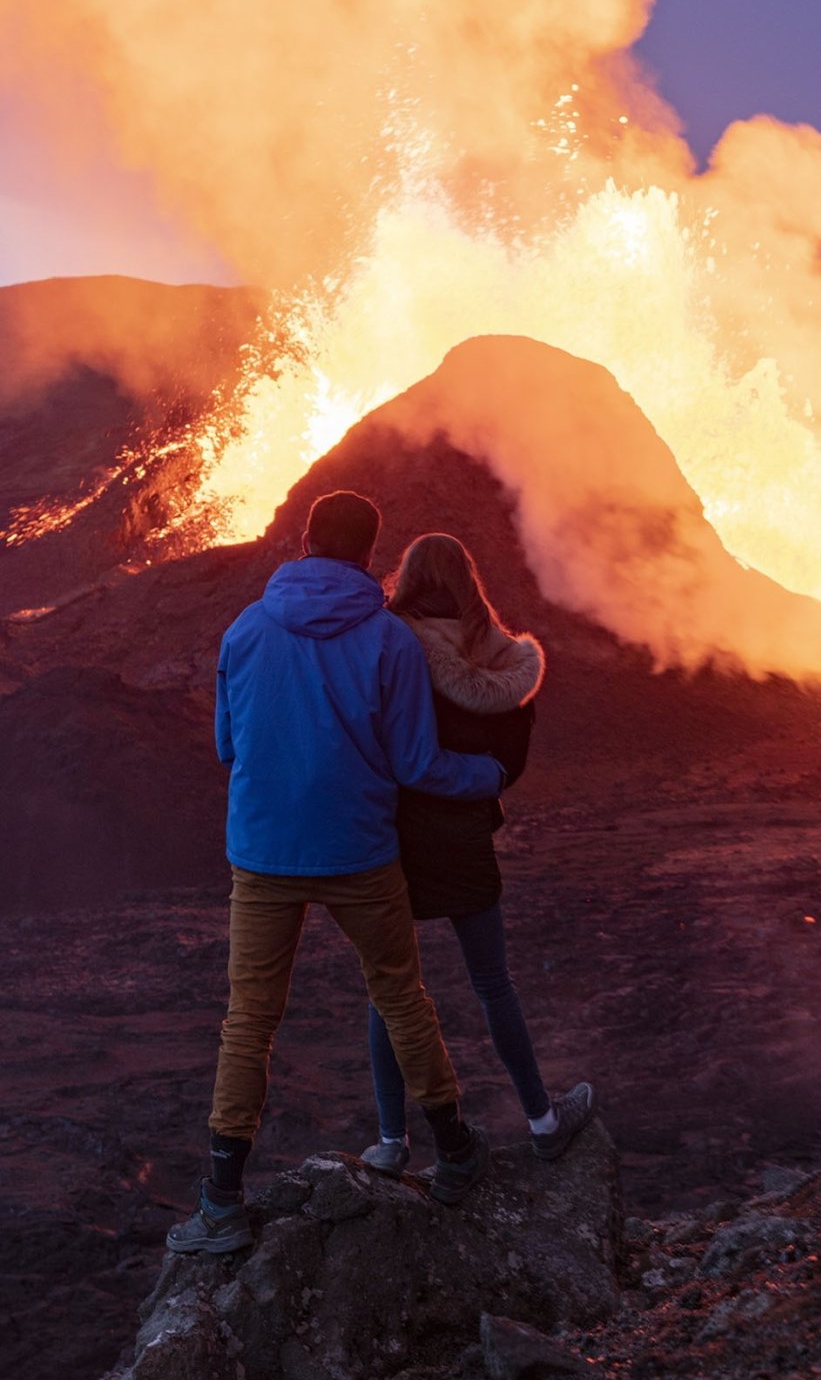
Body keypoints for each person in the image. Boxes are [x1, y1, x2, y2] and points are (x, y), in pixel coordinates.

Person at [167, 492, 506, 1257]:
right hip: (358, 849)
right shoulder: (389, 641)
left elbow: (228, 744)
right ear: (368, 554)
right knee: (399, 997)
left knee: (249, 1021)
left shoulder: (246, 629)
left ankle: (222, 1201)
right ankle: (454, 1154)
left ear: (303, 539)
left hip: (262, 852)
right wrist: (488, 774)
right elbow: (415, 762)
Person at [358, 532, 595, 1178]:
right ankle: (543, 1121)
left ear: (406, 580)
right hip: (463, 839)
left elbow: (370, 736)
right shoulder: (503, 662)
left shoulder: (388, 646)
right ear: (468, 581)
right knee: (493, 984)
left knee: (388, 992)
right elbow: (505, 766)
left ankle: (390, 1140)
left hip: (394, 837)